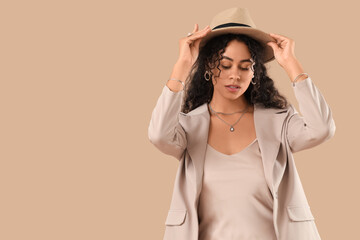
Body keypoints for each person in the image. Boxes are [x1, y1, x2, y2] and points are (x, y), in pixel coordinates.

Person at [148, 7, 335, 240]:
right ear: (208, 66)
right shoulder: (189, 128)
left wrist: (291, 64)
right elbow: (158, 135)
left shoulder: (278, 121)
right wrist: (182, 66)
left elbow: (322, 129)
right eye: (225, 65)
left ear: (255, 72)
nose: (235, 75)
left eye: (245, 67)